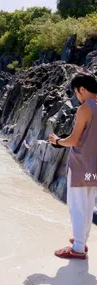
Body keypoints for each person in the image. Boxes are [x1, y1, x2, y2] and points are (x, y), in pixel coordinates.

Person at [49, 73, 97, 259]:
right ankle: (81, 240)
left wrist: (57, 140)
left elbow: (74, 140)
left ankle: (77, 248)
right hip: (94, 166)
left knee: (76, 206)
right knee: (87, 203)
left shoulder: (86, 108)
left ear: (82, 89)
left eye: (76, 92)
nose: (77, 97)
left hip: (80, 165)